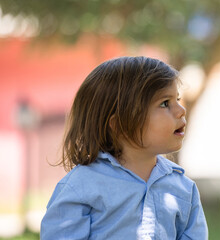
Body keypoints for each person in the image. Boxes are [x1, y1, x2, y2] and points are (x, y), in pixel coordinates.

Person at [40, 56, 208, 239]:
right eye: (165, 103)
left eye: (177, 99)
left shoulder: (184, 189)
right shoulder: (80, 187)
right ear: (119, 124)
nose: (181, 110)